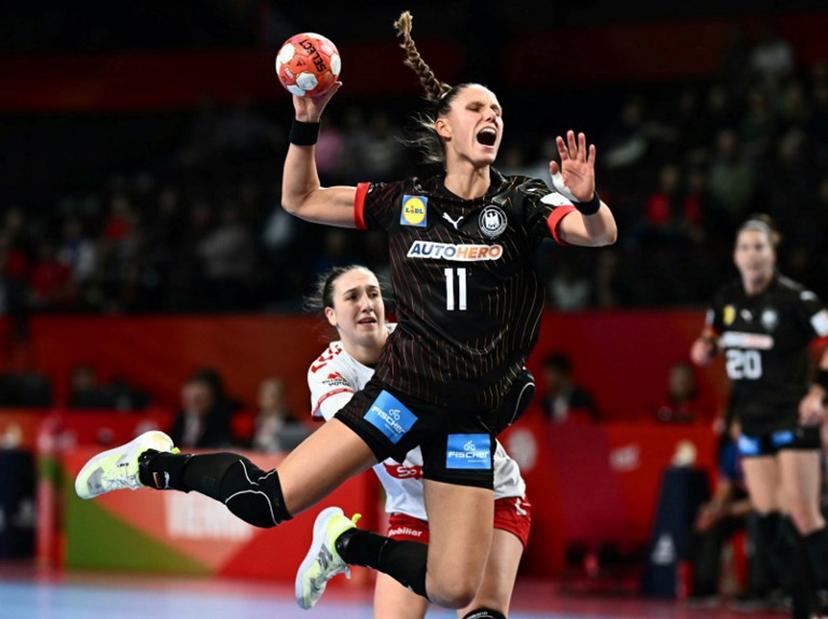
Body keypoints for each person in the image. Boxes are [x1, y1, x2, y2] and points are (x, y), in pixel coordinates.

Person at [74, 10, 616, 615]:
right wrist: (306, 122)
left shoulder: (522, 200)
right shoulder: (405, 201)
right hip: (402, 395)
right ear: (444, 126)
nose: (491, 117)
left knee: (453, 589)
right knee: (265, 501)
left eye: (497, 111)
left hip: (469, 419)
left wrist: (588, 198)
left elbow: (597, 235)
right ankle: (153, 462)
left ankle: (345, 541)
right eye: (475, 109)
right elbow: (299, 197)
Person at [306, 264, 532, 618]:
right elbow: (360, 432)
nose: (367, 303)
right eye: (353, 296)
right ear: (332, 315)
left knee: (481, 616)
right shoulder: (329, 371)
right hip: (413, 510)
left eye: (374, 293)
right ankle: (347, 542)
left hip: (488, 496)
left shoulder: (422, 344)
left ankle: (348, 544)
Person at [690, 215, 828, 618]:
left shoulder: (795, 300)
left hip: (791, 416)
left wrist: (819, 391)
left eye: (760, 248)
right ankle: (802, 606)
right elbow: (710, 338)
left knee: (803, 513)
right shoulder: (726, 301)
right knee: (767, 515)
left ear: (773, 253)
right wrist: (703, 348)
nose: (752, 256)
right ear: (735, 255)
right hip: (751, 419)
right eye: (745, 248)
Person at [250, 377, 309, 453]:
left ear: (281, 398)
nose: (265, 399)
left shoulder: (291, 422)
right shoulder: (255, 420)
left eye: (271, 395)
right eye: (263, 394)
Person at [539, 352, 598, 422]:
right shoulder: (545, 400)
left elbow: (593, 423)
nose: (546, 377)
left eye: (550, 373)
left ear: (562, 373)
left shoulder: (582, 397)